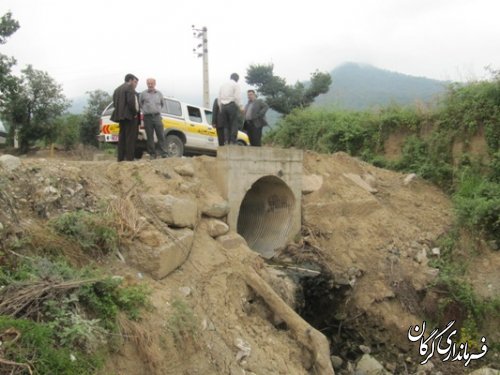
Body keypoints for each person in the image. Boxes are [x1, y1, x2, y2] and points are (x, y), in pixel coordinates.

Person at [111, 73, 139, 161]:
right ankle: (130, 158)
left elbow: (115, 103)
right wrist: (134, 113)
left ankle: (120, 158)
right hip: (129, 116)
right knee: (130, 137)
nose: (135, 84)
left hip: (120, 116)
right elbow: (131, 103)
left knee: (122, 137)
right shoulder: (129, 88)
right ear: (130, 80)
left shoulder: (117, 89)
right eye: (134, 81)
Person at [140, 78, 168, 159]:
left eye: (151, 83)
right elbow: (140, 104)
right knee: (150, 137)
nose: (150, 85)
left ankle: (163, 153)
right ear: (146, 84)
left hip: (157, 117)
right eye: (148, 83)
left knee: (161, 135)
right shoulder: (143, 94)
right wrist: (146, 111)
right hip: (147, 117)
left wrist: (156, 110)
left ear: (155, 84)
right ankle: (152, 154)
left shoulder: (159, 94)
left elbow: (162, 104)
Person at [218, 73, 242, 145]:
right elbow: (237, 97)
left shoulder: (223, 85)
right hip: (231, 105)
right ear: (237, 79)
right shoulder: (236, 84)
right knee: (234, 124)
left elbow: (219, 97)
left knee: (226, 125)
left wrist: (220, 107)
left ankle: (226, 141)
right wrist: (241, 107)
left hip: (223, 106)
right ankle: (232, 141)